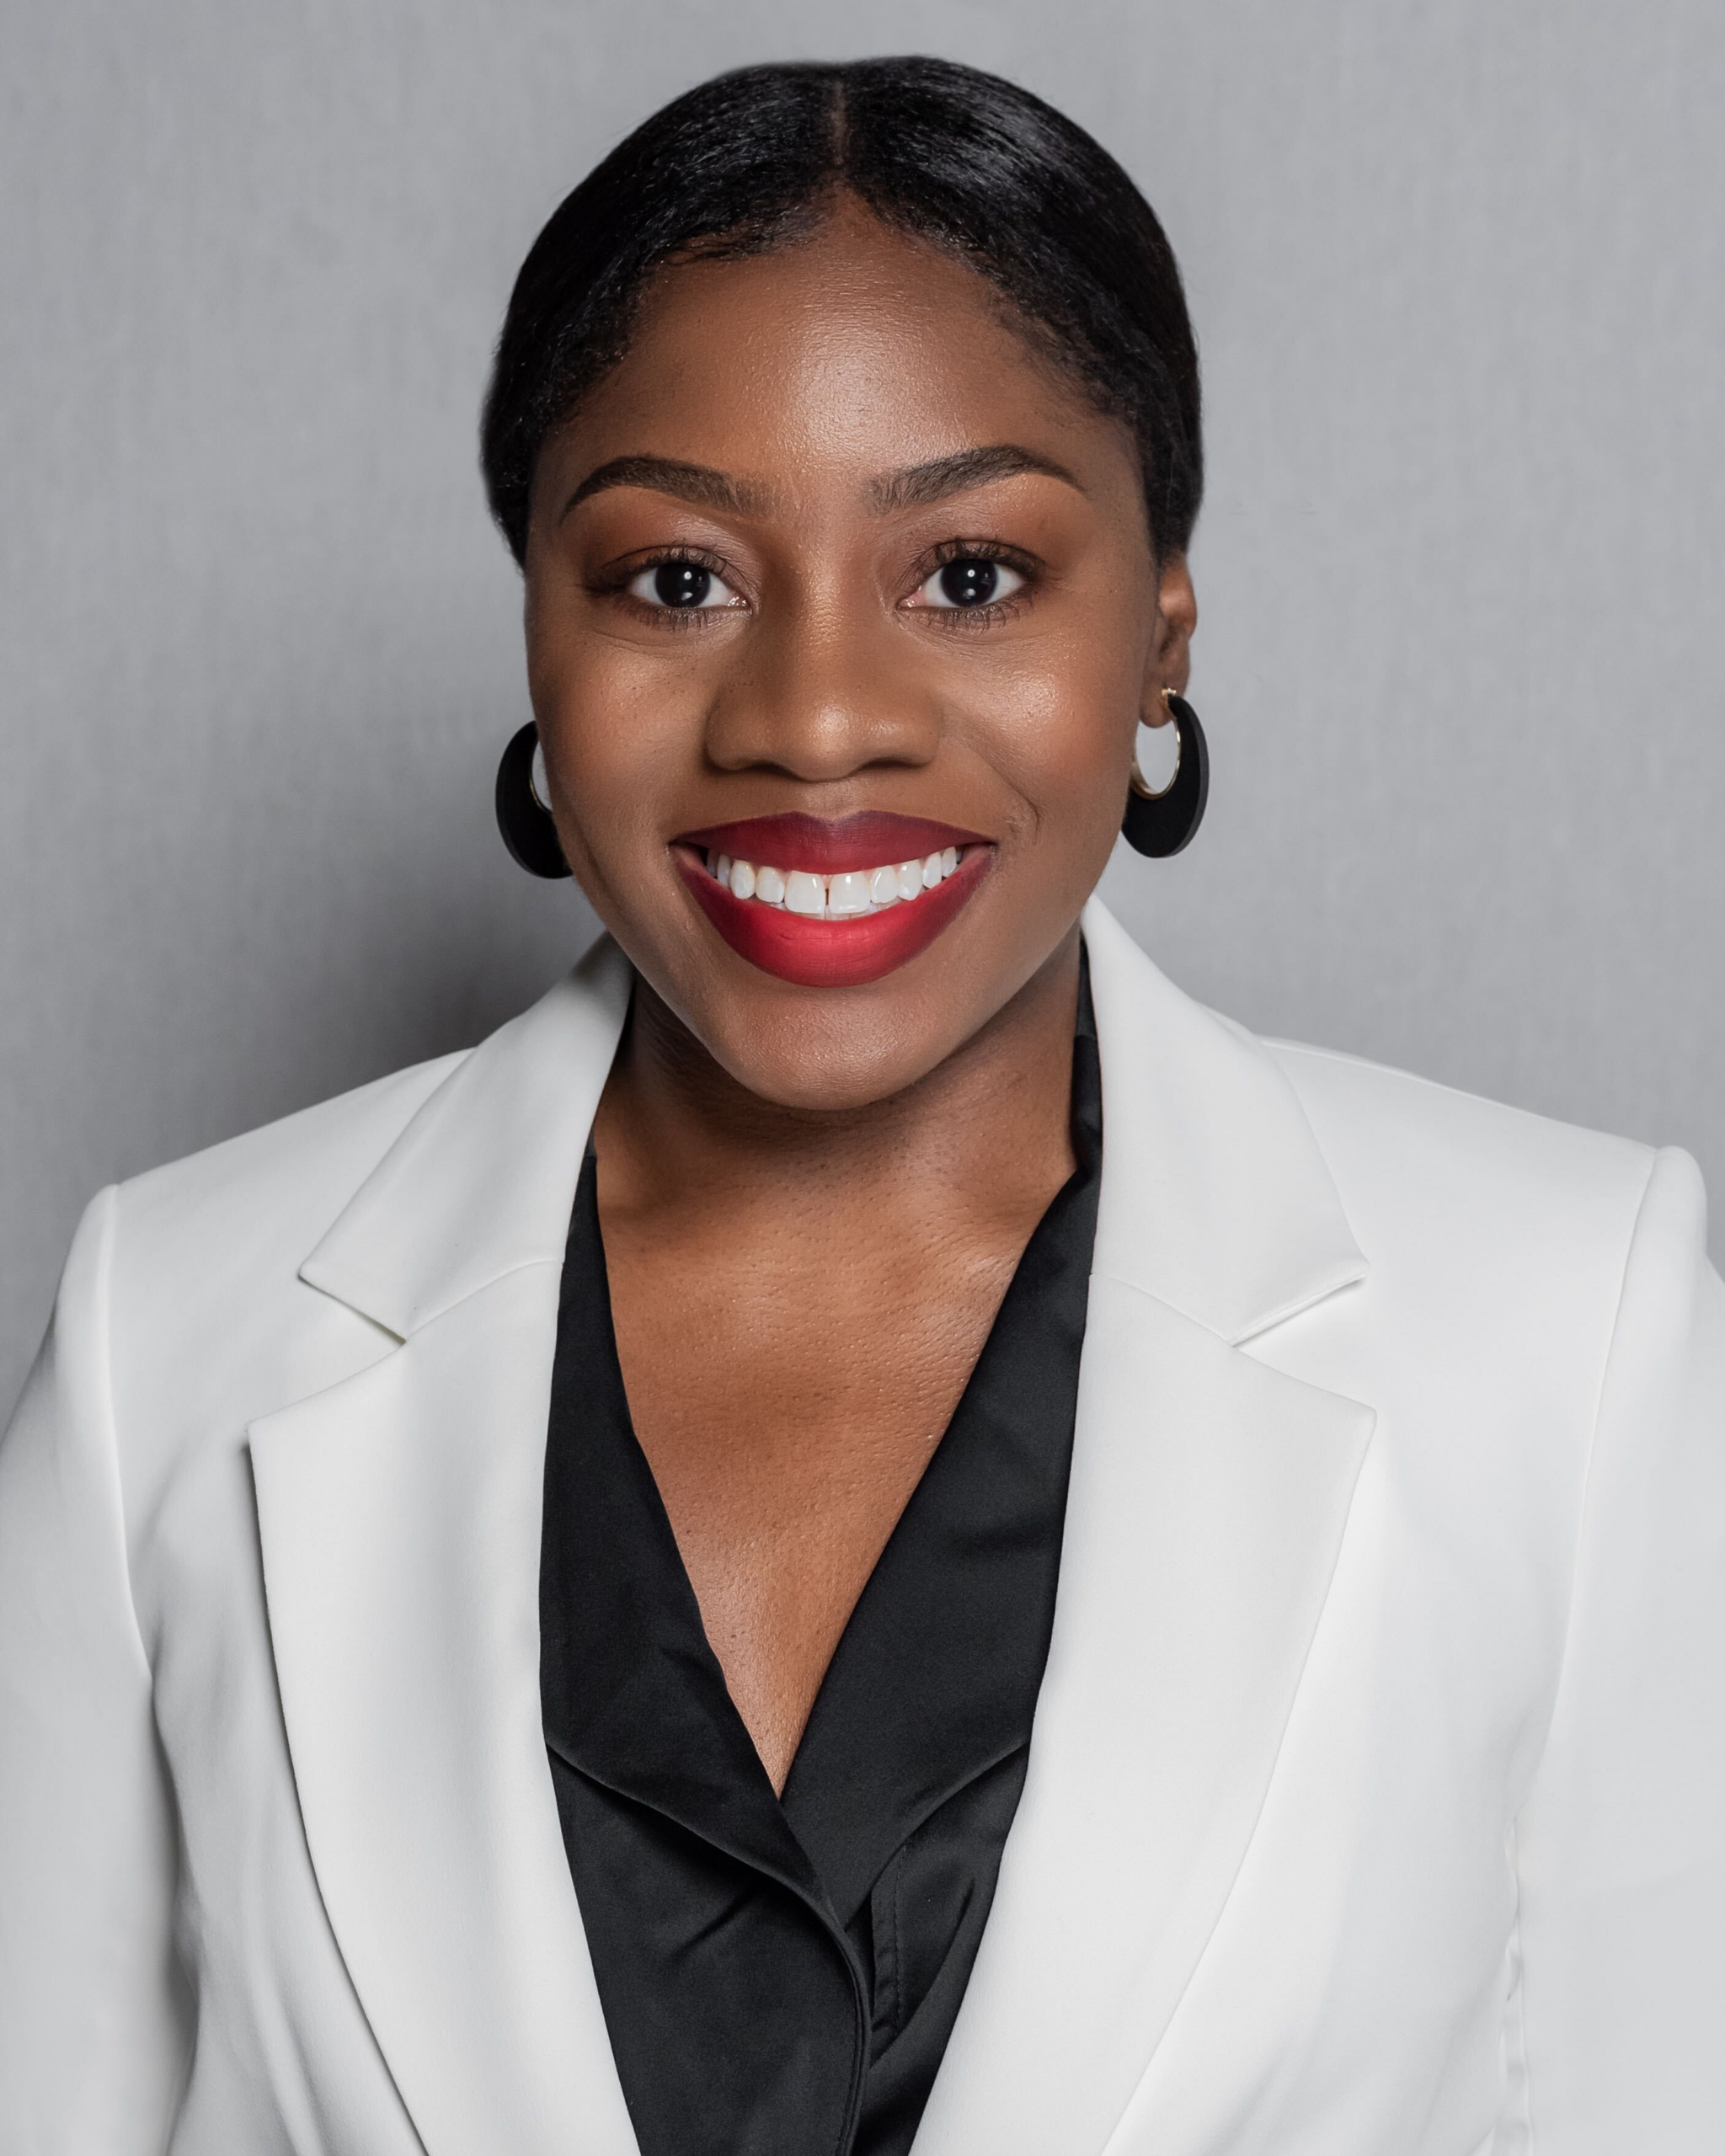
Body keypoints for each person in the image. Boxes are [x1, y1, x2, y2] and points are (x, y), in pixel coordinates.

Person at [1, 53, 1720, 2156]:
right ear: (536, 629)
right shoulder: (164, 1345)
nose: (815, 721)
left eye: (969, 574)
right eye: (677, 578)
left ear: (1159, 631)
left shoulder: (1572, 1332)